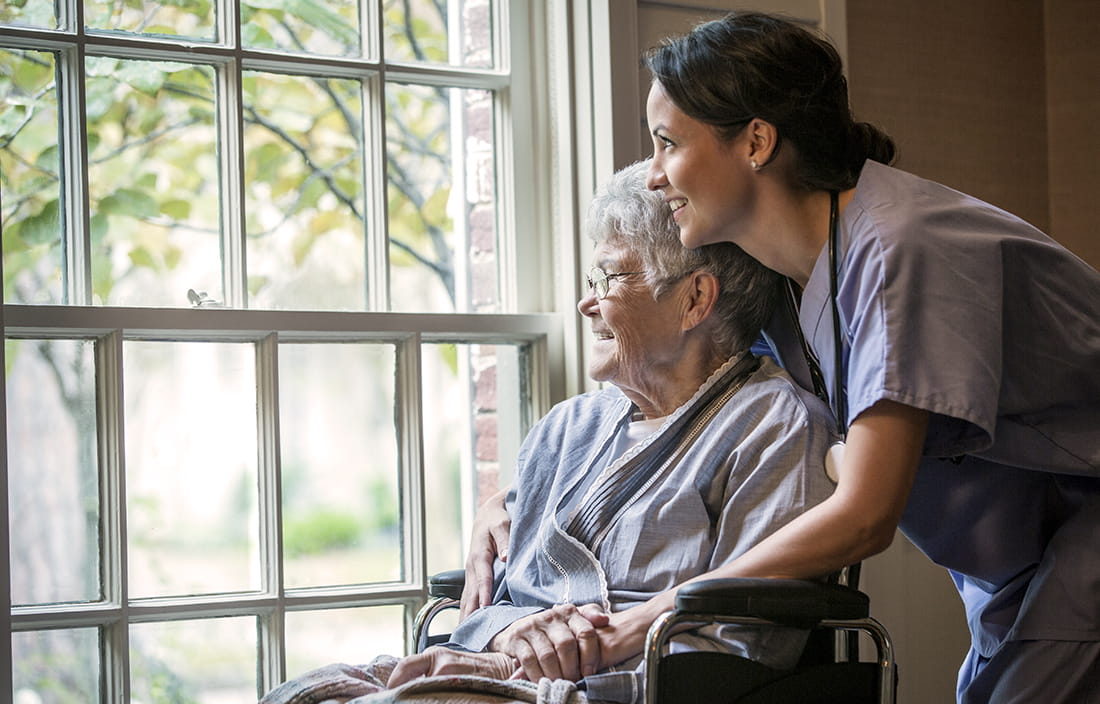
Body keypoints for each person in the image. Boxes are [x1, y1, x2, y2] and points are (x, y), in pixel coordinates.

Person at [639, 10, 1100, 704]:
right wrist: (513, 505)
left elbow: (865, 515)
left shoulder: (899, 249)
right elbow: (682, 413)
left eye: (667, 144)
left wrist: (663, 611)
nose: (653, 176)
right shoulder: (775, 289)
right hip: (1021, 558)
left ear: (757, 141)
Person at [259, 160, 839, 704]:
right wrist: (507, 643)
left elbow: (744, 646)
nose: (587, 303)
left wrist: (546, 664)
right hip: (496, 664)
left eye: (609, 277)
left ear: (694, 299)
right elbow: (499, 601)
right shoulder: (566, 429)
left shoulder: (774, 426)